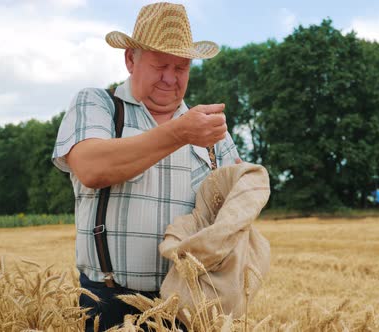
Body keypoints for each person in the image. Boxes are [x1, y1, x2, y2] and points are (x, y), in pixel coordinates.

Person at [51, 2, 240, 330]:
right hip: (108, 303)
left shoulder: (208, 129)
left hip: (188, 302)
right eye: (160, 65)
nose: (170, 78)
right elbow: (92, 168)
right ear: (130, 60)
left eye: (181, 67)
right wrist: (181, 133)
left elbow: (235, 209)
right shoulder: (99, 105)